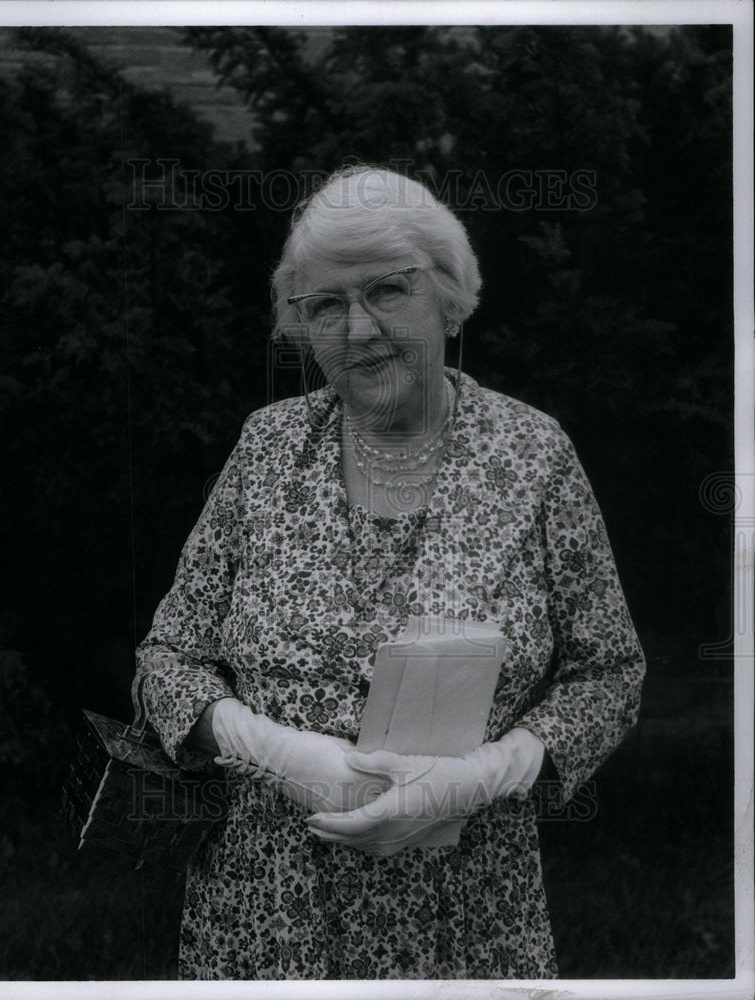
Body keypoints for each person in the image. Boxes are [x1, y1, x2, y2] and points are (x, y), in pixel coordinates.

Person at [135, 165, 646, 980]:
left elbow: (607, 673)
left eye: (387, 291)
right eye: (325, 306)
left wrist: (485, 775)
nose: (358, 328)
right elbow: (167, 658)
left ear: (449, 294)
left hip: (469, 906)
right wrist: (271, 749)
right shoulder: (267, 448)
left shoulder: (532, 454)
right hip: (268, 909)